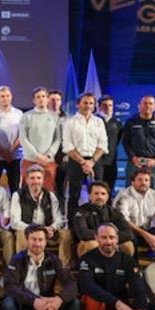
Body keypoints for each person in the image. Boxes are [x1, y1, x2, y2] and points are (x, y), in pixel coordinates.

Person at [9, 165, 72, 267]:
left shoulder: (50, 196)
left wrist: (52, 228)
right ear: (27, 180)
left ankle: (62, 268)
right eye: (32, 178)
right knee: (20, 234)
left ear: (43, 180)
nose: (36, 181)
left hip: (47, 232)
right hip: (27, 230)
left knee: (66, 234)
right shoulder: (18, 195)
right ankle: (23, 267)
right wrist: (37, 230)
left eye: (38, 178)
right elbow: (15, 222)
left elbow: (60, 219)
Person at [62, 92, 108, 223]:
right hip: (76, 161)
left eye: (91, 103)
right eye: (85, 103)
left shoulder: (99, 122)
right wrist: (83, 162)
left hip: (95, 161)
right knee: (74, 195)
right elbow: (68, 146)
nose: (88, 106)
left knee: (98, 195)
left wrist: (92, 162)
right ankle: (72, 225)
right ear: (78, 104)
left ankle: (98, 224)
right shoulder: (70, 122)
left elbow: (103, 144)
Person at [114, 169, 155, 255]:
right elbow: (123, 220)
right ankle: (134, 265)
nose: (143, 183)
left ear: (150, 183)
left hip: (147, 231)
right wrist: (146, 235)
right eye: (140, 180)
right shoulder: (124, 195)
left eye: (146, 180)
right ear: (133, 182)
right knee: (129, 235)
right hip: (130, 231)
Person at [73, 181, 135, 257]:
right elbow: (83, 234)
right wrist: (105, 238)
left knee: (127, 245)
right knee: (92, 244)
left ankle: (122, 267)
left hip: (110, 242)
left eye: (103, 194)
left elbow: (129, 233)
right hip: (90, 243)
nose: (100, 197)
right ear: (89, 196)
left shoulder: (114, 212)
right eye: (96, 193)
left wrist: (110, 238)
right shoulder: (81, 211)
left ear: (107, 197)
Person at [122, 95, 155, 187]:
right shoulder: (131, 122)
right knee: (130, 189)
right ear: (139, 106)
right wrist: (133, 158)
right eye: (145, 103)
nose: (147, 106)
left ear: (154, 106)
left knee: (151, 191)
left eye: (150, 104)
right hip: (135, 163)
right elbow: (126, 142)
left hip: (153, 164)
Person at [19, 86, 61, 192]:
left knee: (48, 191)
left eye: (43, 96)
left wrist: (48, 155)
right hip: (30, 160)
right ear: (34, 100)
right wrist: (37, 156)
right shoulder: (26, 116)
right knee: (28, 191)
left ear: (47, 99)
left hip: (48, 161)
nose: (41, 99)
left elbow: (58, 139)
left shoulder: (55, 117)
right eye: (38, 97)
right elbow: (23, 138)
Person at [0, 85, 23, 193]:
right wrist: (2, 151)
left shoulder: (19, 113)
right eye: (2, 96)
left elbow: (22, 135)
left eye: (7, 96)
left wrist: (11, 151)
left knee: (14, 186)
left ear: (11, 97)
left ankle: (14, 209)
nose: (5, 98)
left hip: (14, 156)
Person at [97, 94, 123, 194]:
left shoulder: (117, 123)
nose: (108, 108)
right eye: (105, 105)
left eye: (110, 105)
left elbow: (118, 140)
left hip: (111, 160)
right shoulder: (94, 121)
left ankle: (108, 208)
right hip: (97, 161)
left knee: (109, 188)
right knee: (98, 187)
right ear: (99, 107)